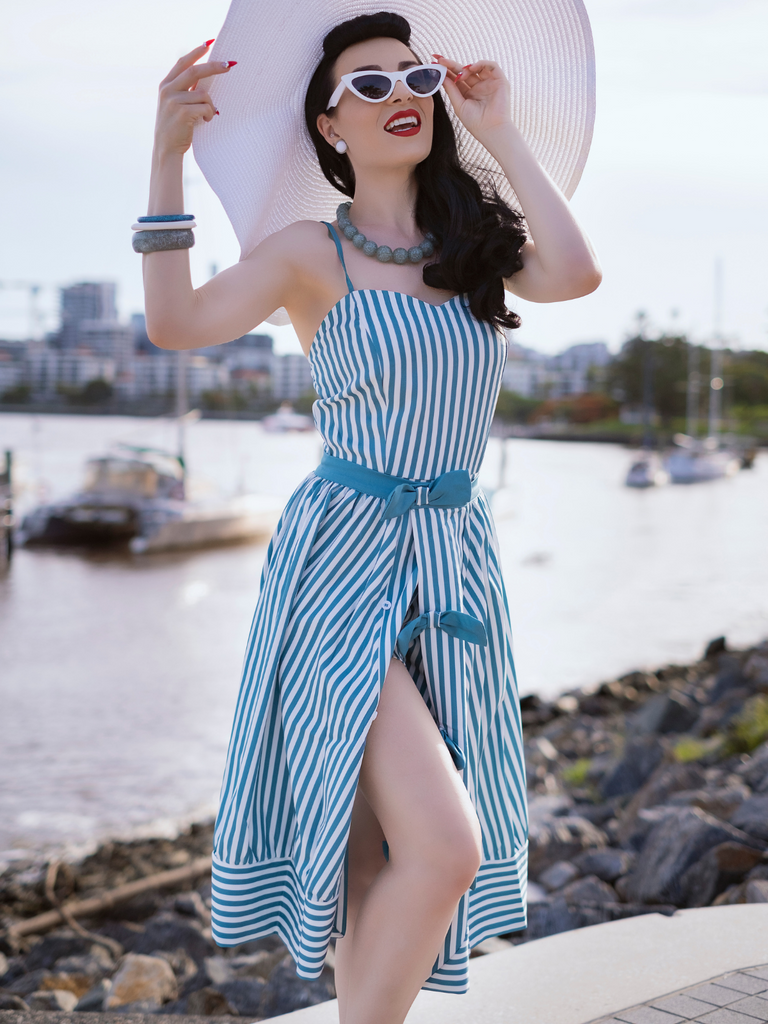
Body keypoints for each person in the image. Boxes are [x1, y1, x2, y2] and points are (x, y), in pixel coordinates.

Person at [139, 7, 600, 1023]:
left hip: (452, 562)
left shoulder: (477, 246)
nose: (402, 98)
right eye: (371, 86)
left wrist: (502, 128)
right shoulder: (311, 253)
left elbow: (576, 274)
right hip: (340, 559)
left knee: (378, 854)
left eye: (416, 80)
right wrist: (167, 158)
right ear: (330, 128)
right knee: (444, 844)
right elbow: (175, 324)